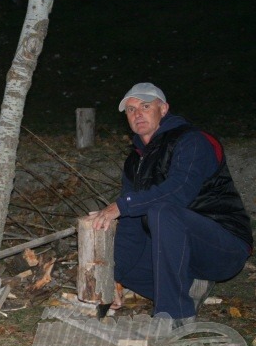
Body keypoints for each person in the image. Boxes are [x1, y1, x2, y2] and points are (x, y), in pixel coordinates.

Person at [88, 82, 253, 326]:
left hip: (223, 245)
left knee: (161, 210)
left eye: (145, 106)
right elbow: (131, 224)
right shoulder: (135, 161)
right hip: (179, 248)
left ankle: (175, 314)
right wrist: (113, 278)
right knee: (125, 265)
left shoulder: (193, 141)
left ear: (163, 109)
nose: (138, 114)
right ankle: (190, 286)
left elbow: (178, 191)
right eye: (131, 110)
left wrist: (122, 205)